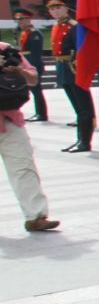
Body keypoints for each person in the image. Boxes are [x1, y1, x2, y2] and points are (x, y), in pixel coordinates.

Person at [0, 39, 57, 231]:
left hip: (10, 121)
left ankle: (36, 216)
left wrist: (18, 71)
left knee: (23, 168)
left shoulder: (5, 49)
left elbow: (33, 78)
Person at [42, 0, 95, 153]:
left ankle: (85, 141)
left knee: (84, 108)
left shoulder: (75, 26)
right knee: (77, 108)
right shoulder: (56, 27)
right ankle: (80, 139)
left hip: (74, 68)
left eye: (58, 7)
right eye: (52, 9)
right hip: (63, 68)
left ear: (66, 8)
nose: (55, 11)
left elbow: (83, 49)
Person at [12, 7, 48, 122]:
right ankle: (39, 112)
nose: (20, 21)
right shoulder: (24, 33)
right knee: (33, 90)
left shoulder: (34, 34)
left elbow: (36, 54)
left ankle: (41, 114)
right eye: (17, 19)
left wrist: (31, 68)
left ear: (29, 19)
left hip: (33, 64)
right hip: (25, 64)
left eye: (22, 19)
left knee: (36, 90)